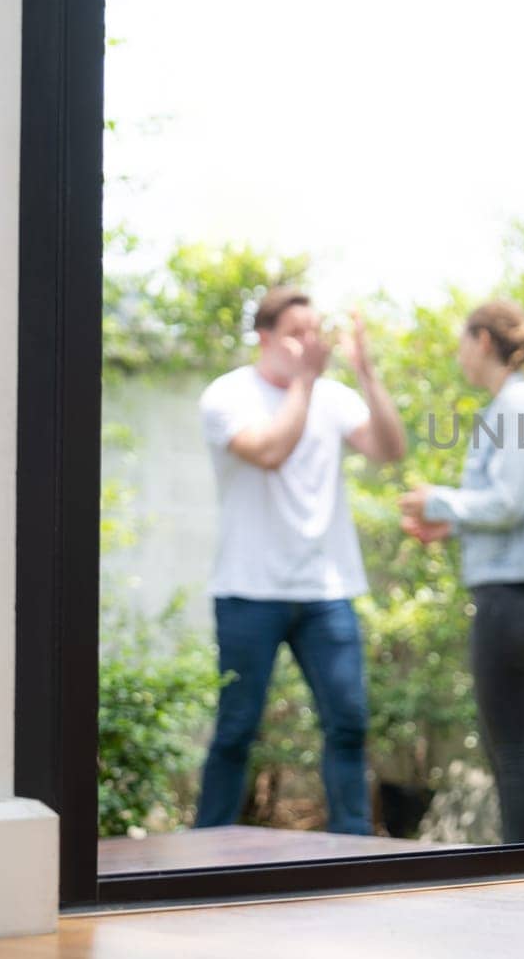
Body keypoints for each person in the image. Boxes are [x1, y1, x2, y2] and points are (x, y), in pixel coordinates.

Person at [196, 286, 408, 835]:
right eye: (296, 334)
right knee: (236, 729)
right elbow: (269, 452)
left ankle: (352, 851)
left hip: (326, 591)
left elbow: (389, 450)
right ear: (263, 337)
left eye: (315, 333)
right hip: (248, 591)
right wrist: (307, 382)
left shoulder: (335, 398)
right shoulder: (227, 396)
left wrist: (366, 373)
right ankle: (207, 847)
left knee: (349, 725)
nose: (309, 344)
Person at [397, 299, 524, 844]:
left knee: (512, 745)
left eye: (460, 343)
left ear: (481, 340)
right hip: (516, 594)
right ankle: (520, 864)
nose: (459, 357)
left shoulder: (519, 406)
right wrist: (450, 526)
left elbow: (509, 502)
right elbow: (507, 509)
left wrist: (439, 501)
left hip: (516, 599)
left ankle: (522, 867)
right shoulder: (513, 406)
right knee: (506, 742)